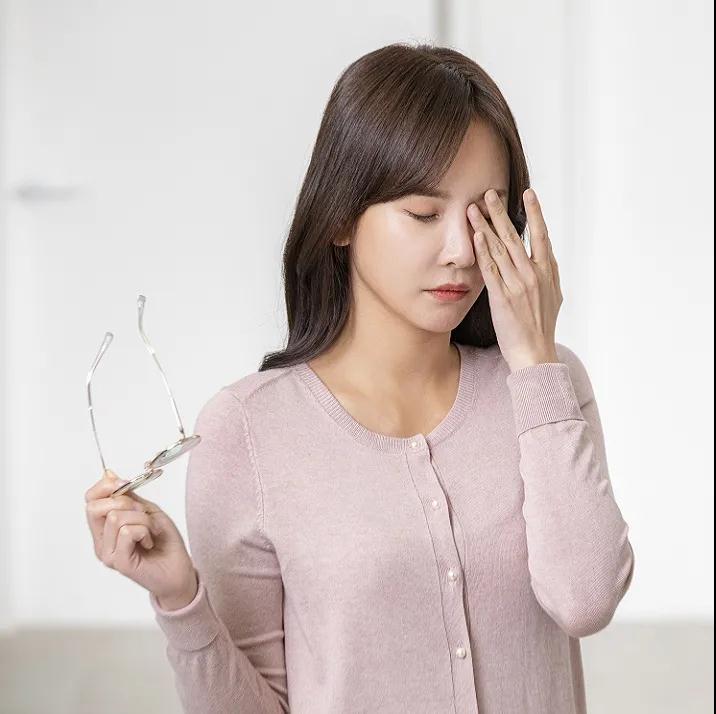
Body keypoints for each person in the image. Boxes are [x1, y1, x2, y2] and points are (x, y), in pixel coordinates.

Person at [84, 42, 635, 714]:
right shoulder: (248, 432)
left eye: (484, 215)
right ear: (342, 217)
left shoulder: (547, 385)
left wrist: (537, 364)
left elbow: (585, 599)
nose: (461, 251)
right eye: (423, 214)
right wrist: (179, 598)